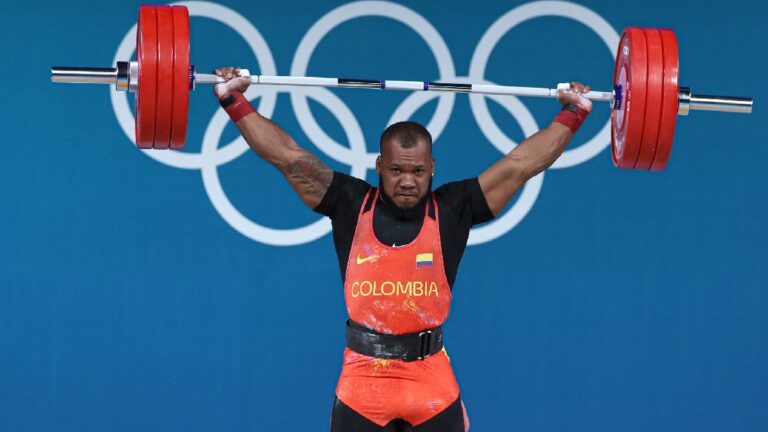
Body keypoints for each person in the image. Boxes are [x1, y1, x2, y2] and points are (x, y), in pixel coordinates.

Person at [213, 67, 592, 432]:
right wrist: (234, 102)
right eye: (397, 171)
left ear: (432, 169)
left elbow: (521, 165)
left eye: (417, 172)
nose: (407, 181)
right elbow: (287, 156)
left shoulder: (453, 208)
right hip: (363, 383)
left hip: (431, 383)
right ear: (379, 166)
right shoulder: (349, 202)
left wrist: (574, 112)